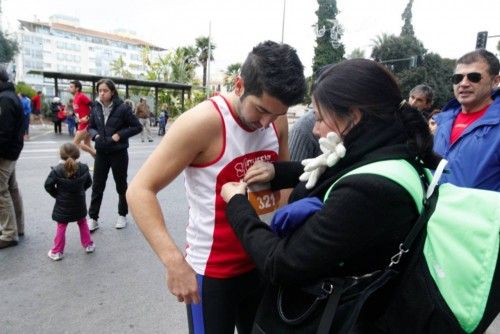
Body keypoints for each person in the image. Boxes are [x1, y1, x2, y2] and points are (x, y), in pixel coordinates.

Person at [219, 59, 439, 333]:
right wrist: (276, 172)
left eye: (321, 117)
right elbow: (335, 167)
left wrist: (238, 205)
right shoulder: (390, 152)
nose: (315, 129)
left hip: (328, 317)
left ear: (354, 117)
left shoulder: (370, 192)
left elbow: (280, 263)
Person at [127, 40, 306, 334]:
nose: (266, 123)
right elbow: (140, 190)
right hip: (213, 274)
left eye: (276, 114)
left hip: (262, 264)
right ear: (239, 85)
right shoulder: (202, 123)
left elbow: (284, 189)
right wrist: (173, 262)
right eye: (260, 110)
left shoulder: (277, 119)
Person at [433, 49, 500, 191]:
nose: (463, 83)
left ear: (495, 81)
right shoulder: (442, 123)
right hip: (433, 212)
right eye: (458, 78)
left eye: (474, 77)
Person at [87, 79, 142, 232]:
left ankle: (122, 215)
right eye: (100, 91)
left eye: (105, 90)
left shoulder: (123, 108)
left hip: (118, 152)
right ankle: (93, 218)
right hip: (101, 152)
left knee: (121, 186)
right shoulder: (96, 107)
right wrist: (95, 136)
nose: (102, 93)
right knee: (97, 186)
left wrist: (120, 135)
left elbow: (137, 126)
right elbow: (90, 127)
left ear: (112, 92)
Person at [44, 143, 94, 261]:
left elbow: (48, 186)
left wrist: (57, 195)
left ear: (61, 155)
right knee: (82, 223)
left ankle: (57, 251)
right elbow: (88, 183)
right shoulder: (84, 168)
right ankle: (88, 245)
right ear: (77, 154)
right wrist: (81, 191)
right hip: (79, 201)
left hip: (63, 204)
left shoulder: (56, 170)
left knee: (61, 226)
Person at [0, 66, 25, 249]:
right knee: (11, 188)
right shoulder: (11, 96)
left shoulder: (4, 100)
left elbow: (4, 132)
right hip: (12, 150)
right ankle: (17, 227)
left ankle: (9, 233)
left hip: (5, 152)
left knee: (2, 191)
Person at [69, 80, 96, 157]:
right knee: (87, 144)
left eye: (71, 87)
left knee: (74, 144)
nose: (69, 88)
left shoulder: (81, 96)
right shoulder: (75, 98)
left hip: (86, 124)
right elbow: (79, 111)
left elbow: (94, 106)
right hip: (81, 124)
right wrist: (75, 116)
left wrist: (88, 117)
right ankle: (99, 162)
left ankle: (66, 165)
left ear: (77, 88)